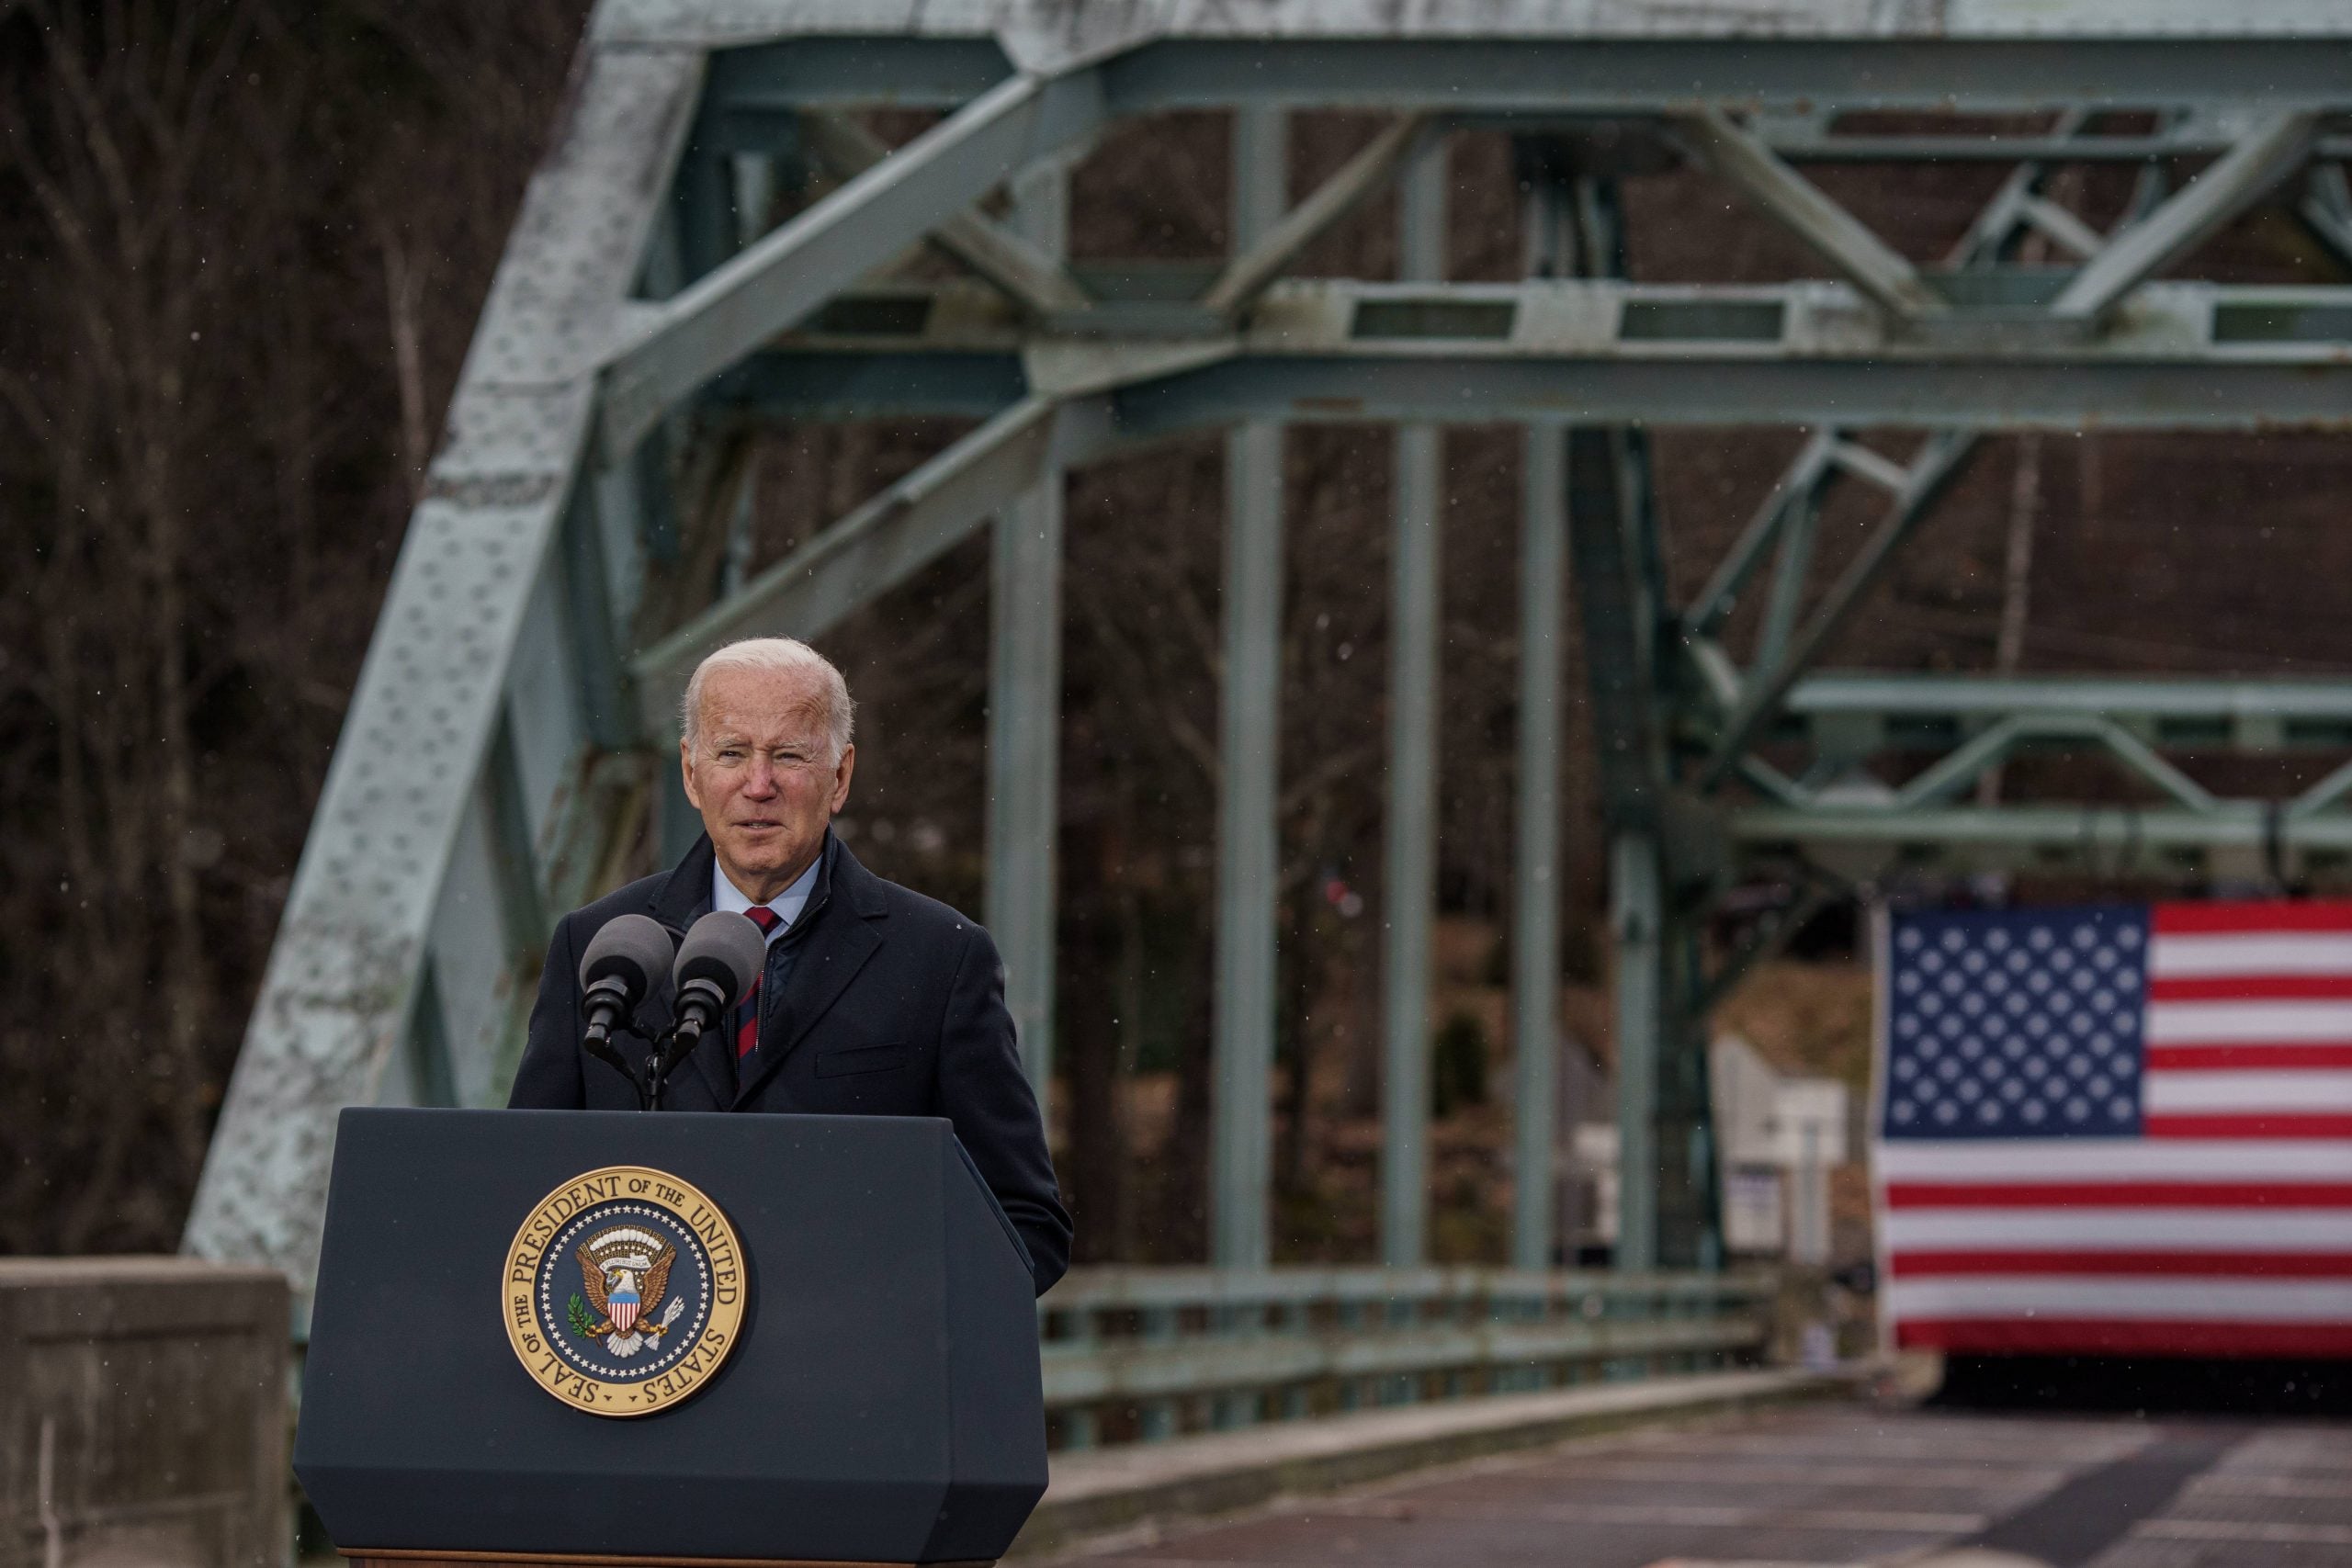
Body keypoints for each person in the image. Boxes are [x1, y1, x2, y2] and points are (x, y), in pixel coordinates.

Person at [508, 637, 1070, 1294]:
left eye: (788, 755)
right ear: (691, 773)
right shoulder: (599, 946)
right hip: (645, 1369)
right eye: (732, 753)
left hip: (850, 1377)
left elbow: (1024, 1223)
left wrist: (875, 1307)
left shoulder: (941, 958)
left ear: (840, 775)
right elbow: (524, 1193)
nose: (758, 785)